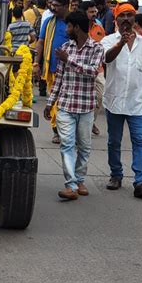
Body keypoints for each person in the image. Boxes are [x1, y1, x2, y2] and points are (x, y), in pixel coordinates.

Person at [101, 3, 142, 198]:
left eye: (130, 15)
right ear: (116, 20)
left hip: (137, 102)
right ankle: (116, 175)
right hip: (115, 100)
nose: (126, 19)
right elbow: (106, 59)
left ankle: (140, 181)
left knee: (139, 141)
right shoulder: (108, 41)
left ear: (135, 18)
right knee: (114, 141)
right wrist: (120, 44)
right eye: (122, 16)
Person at [44, 11, 104, 200]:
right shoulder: (65, 48)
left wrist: (68, 60)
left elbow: (93, 72)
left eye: (69, 26)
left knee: (84, 147)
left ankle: (80, 180)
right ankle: (70, 185)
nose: (67, 30)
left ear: (76, 28)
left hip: (86, 107)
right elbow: (59, 79)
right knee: (67, 145)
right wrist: (49, 103)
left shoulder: (96, 48)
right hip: (65, 105)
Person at [33, 0, 70, 143]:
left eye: (56, 6)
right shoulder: (48, 22)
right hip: (52, 68)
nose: (52, 8)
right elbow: (40, 42)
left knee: (65, 102)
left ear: (66, 6)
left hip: (70, 69)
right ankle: (57, 130)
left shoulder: (74, 22)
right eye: (51, 5)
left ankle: (67, 130)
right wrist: (36, 64)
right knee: (54, 102)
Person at [81, 0, 105, 135]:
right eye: (91, 12)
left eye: (95, 11)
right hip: (80, 67)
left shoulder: (99, 28)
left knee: (99, 97)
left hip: (98, 69)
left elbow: (104, 47)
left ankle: (91, 122)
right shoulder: (78, 27)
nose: (94, 14)